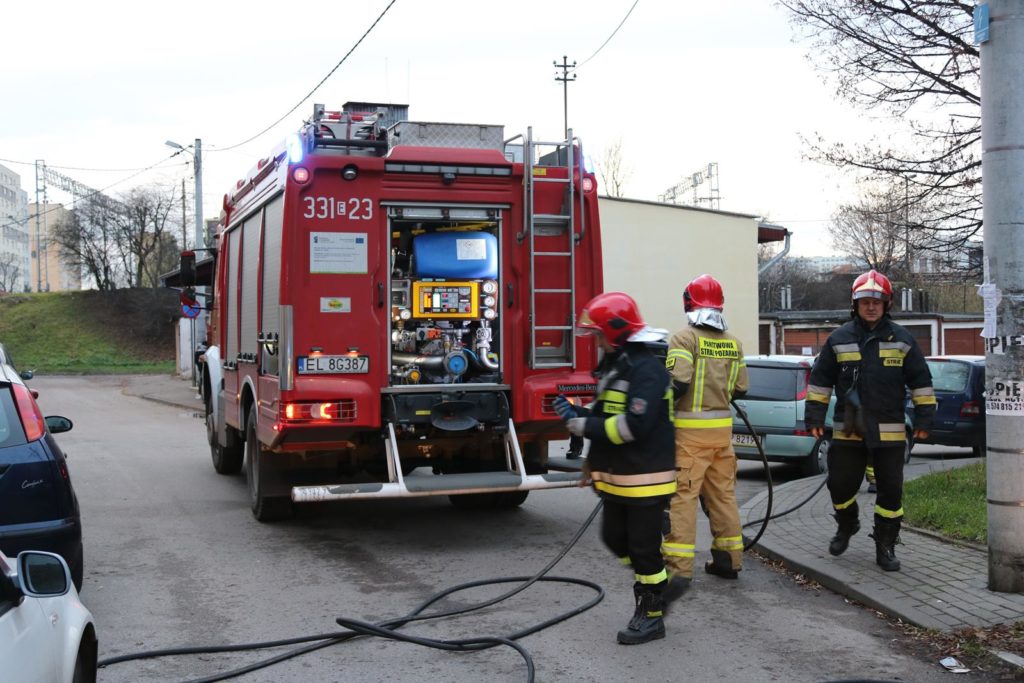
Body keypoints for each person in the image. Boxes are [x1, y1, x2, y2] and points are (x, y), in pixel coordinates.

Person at [553, 292, 676, 645]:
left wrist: (584, 426)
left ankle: (652, 613)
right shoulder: (619, 365)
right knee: (614, 539)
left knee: (641, 548)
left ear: (615, 331)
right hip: (619, 478)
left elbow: (632, 427)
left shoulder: (647, 371)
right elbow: (607, 415)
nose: (596, 342)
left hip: (645, 480)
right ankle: (657, 583)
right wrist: (579, 415)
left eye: (598, 335)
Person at [805, 270, 935, 572]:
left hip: (889, 429)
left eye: (877, 302)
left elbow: (921, 383)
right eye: (865, 302)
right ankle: (847, 523)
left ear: (887, 304)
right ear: (855, 304)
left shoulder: (902, 340)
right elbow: (820, 382)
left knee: (890, 491)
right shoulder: (839, 339)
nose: (871, 307)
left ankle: (885, 544)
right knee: (839, 485)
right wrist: (814, 416)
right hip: (849, 428)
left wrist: (924, 419)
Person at [661, 274, 749, 602]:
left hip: (689, 437)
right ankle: (729, 561)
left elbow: (678, 383)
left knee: (682, 500)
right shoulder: (733, 343)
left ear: (688, 303)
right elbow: (741, 388)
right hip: (722, 436)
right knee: (723, 497)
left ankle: (679, 569)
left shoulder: (684, 339)